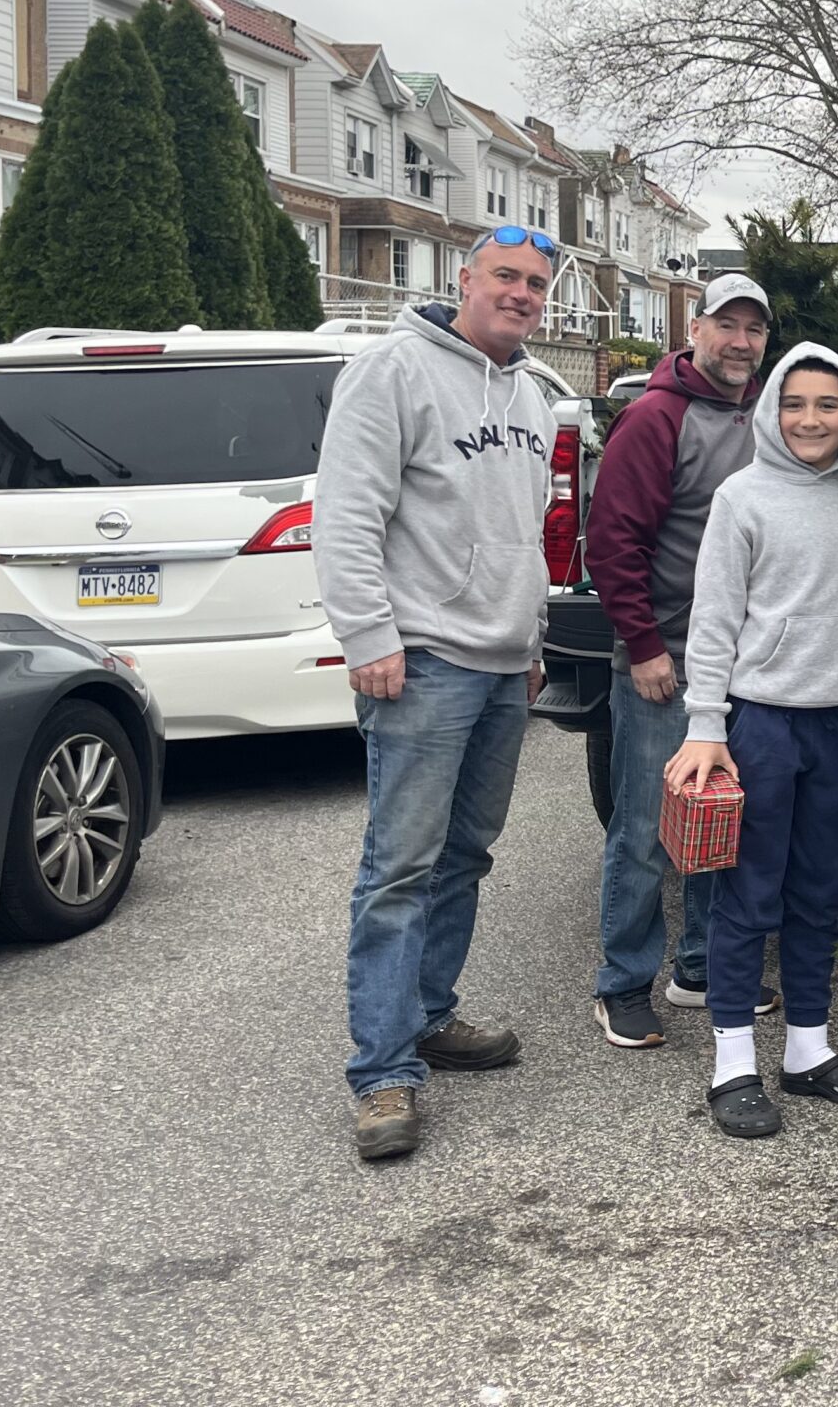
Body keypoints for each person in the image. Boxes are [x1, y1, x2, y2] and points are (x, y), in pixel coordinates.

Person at [315, 224, 559, 1162]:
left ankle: (429, 1016)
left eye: (535, 283)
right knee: (399, 870)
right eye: (505, 275)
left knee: (465, 856)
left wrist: (531, 641)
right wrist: (369, 634)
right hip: (422, 661)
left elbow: (526, 534)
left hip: (503, 666)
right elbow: (347, 511)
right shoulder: (392, 371)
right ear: (465, 278)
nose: (521, 293)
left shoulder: (532, 397)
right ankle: (382, 1073)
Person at [664, 344, 838, 1139]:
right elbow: (714, 617)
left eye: (828, 404)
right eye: (794, 403)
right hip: (761, 723)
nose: (810, 419)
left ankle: (807, 1051)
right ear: (771, 411)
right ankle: (733, 1064)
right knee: (748, 895)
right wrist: (706, 723)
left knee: (820, 893)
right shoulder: (743, 497)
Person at [583, 274, 782, 1049]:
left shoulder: (769, 418)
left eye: (754, 329)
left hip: (739, 661)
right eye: (726, 325)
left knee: (718, 820)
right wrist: (642, 646)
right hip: (663, 660)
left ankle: (699, 969)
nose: (740, 341)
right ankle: (622, 984)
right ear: (695, 329)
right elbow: (612, 543)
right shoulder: (654, 418)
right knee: (643, 828)